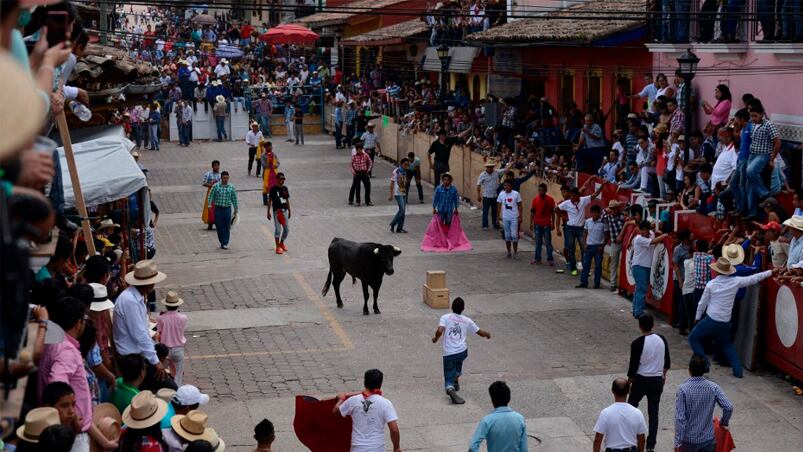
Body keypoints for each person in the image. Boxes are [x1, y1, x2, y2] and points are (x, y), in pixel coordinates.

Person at [39, 296, 118, 452]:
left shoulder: (54, 343)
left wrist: (104, 442)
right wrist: (73, 417)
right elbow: (57, 385)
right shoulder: (66, 351)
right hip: (73, 434)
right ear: (78, 324)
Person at [690, 257, 774, 378]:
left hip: (711, 319)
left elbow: (702, 303)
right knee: (727, 345)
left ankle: (705, 364)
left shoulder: (711, 284)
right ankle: (738, 371)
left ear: (717, 271)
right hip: (724, 321)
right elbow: (755, 278)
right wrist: (771, 272)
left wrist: (697, 317)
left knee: (693, 338)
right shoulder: (736, 281)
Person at [114, 260, 173, 390]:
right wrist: (156, 362)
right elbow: (139, 335)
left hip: (138, 351)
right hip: (132, 357)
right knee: (170, 387)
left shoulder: (136, 297)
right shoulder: (130, 301)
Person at [431, 297, 491, 405]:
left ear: (452, 307)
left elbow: (440, 330)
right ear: (463, 308)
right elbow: (479, 332)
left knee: (449, 373)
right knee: (458, 364)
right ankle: (456, 378)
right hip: (462, 351)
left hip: (449, 353)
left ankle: (450, 389)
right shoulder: (467, 320)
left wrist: (435, 338)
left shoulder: (445, 317)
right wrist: (487, 334)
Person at [627, 314, 670, 452]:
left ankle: (630, 438)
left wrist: (629, 384)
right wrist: (663, 376)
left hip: (641, 379)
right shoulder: (662, 339)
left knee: (631, 408)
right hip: (657, 380)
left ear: (640, 326)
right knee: (654, 413)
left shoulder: (637, 343)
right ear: (653, 325)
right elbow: (667, 362)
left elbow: (632, 368)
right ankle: (650, 445)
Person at [674, 355, 734, 452]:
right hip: (708, 440)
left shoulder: (683, 389)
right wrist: (723, 423)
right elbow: (728, 407)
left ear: (689, 370)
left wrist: (678, 442)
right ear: (705, 370)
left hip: (689, 441)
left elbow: (680, 419)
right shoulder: (714, 387)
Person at [334, 369, 401, 452]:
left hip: (357, 448)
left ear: (365, 382)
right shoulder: (385, 403)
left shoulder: (353, 400)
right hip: (377, 448)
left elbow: (335, 412)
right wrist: (396, 448)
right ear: (380, 384)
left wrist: (341, 399)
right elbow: (394, 430)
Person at [557, 181, 604, 276]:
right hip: (570, 228)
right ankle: (573, 268)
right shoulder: (566, 203)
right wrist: (564, 217)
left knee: (584, 248)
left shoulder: (583, 200)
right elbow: (556, 209)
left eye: (574, 196)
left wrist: (602, 185)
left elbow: (595, 195)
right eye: (572, 196)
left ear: (578, 195)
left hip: (580, 228)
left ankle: (584, 268)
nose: (573, 198)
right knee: (571, 248)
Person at [468, 381, 527, 452]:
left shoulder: (487, 421)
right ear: (509, 398)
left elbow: (472, 446)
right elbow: (524, 448)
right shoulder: (520, 418)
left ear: (492, 400)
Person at [593, 378, 647, 452]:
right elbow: (642, 439)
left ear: (612, 390)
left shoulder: (605, 413)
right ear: (629, 391)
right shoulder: (637, 413)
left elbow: (597, 440)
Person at [631, 222, 668, 318]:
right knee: (641, 290)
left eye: (644, 229)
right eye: (641, 230)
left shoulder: (650, 234)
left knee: (639, 289)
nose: (642, 232)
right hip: (640, 266)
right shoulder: (639, 239)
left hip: (643, 266)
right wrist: (665, 235)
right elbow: (653, 242)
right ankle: (638, 311)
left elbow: (654, 233)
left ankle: (636, 309)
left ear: (648, 229)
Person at [157, 291, 187, 386]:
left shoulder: (161, 318)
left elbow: (159, 332)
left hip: (165, 350)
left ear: (166, 305)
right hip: (178, 349)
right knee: (178, 375)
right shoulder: (183, 317)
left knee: (162, 374)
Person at [207, 171, 238, 249]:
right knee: (219, 226)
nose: (225, 179)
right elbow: (210, 196)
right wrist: (209, 205)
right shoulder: (216, 186)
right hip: (218, 209)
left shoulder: (231, 187)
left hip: (227, 209)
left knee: (227, 226)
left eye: (227, 178)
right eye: (224, 178)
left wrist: (236, 209)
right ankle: (221, 240)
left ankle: (225, 242)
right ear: (221, 178)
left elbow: (234, 198)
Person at [578, 205, 605, 289]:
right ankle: (583, 282)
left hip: (598, 247)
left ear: (599, 213)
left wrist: (603, 246)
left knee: (598, 266)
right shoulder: (588, 221)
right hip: (589, 246)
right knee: (586, 265)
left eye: (596, 213)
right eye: (593, 213)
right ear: (591, 213)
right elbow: (585, 233)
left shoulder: (603, 223)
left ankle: (597, 284)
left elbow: (607, 234)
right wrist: (584, 244)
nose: (595, 214)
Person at [530, 183, 556, 266]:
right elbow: (532, 212)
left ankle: (550, 259)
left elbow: (553, 213)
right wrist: (531, 222)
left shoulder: (550, 200)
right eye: (539, 190)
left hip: (546, 224)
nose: (540, 192)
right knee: (538, 242)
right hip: (537, 223)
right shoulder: (535, 200)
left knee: (548, 242)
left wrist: (553, 223)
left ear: (545, 191)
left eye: (542, 190)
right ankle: (537, 259)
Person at [603, 201, 626, 292]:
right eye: (611, 208)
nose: (613, 210)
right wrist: (606, 209)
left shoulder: (622, 216)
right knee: (614, 263)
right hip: (615, 242)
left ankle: (622, 285)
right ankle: (613, 284)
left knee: (624, 263)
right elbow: (601, 216)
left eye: (614, 208)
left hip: (624, 242)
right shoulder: (608, 217)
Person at [496, 180, 523, 258]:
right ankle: (508, 252)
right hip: (505, 218)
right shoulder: (501, 194)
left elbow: (520, 205)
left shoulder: (516, 194)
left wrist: (520, 216)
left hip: (514, 217)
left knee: (514, 235)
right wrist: (497, 218)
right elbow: (498, 206)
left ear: (511, 186)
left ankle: (515, 252)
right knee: (507, 235)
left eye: (508, 185)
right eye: (505, 185)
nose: (506, 187)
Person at [267, 172, 291, 255]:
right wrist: (268, 212)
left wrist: (289, 210)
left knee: (286, 229)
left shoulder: (285, 188)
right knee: (278, 230)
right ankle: (277, 247)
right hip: (277, 212)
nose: (282, 180)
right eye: (281, 179)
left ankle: (282, 242)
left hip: (284, 211)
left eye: (283, 179)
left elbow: (287, 200)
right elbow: (270, 200)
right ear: (277, 179)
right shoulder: (273, 189)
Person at [477, 162, 501, 230]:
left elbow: (505, 170)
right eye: (488, 167)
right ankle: (485, 225)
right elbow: (478, 185)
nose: (490, 168)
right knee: (485, 211)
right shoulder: (482, 175)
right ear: (486, 167)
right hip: (486, 195)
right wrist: (478, 195)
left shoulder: (496, 172)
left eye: (491, 167)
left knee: (494, 211)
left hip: (494, 195)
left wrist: (513, 162)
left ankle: (494, 224)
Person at [389, 158, 409, 233]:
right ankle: (393, 223)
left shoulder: (405, 172)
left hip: (403, 192)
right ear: (401, 164)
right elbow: (392, 183)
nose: (406, 166)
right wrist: (391, 195)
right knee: (402, 209)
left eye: (407, 165)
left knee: (403, 211)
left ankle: (399, 228)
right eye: (405, 165)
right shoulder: (396, 171)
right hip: (398, 193)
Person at [201, 160, 221, 230]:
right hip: (210, 193)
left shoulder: (220, 175)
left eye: (218, 166)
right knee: (210, 208)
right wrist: (211, 185)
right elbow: (204, 183)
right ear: (212, 166)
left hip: (219, 194)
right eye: (215, 166)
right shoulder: (208, 174)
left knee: (218, 208)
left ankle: (218, 223)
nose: (217, 167)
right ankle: (210, 224)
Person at [260, 140, 280, 206]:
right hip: (267, 173)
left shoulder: (274, 154)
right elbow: (263, 164)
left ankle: (276, 199)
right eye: (268, 147)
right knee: (266, 186)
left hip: (274, 172)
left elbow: (278, 162)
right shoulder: (263, 155)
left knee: (275, 185)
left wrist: (276, 165)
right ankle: (265, 201)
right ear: (265, 148)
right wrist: (270, 165)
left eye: (271, 146)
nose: (270, 148)